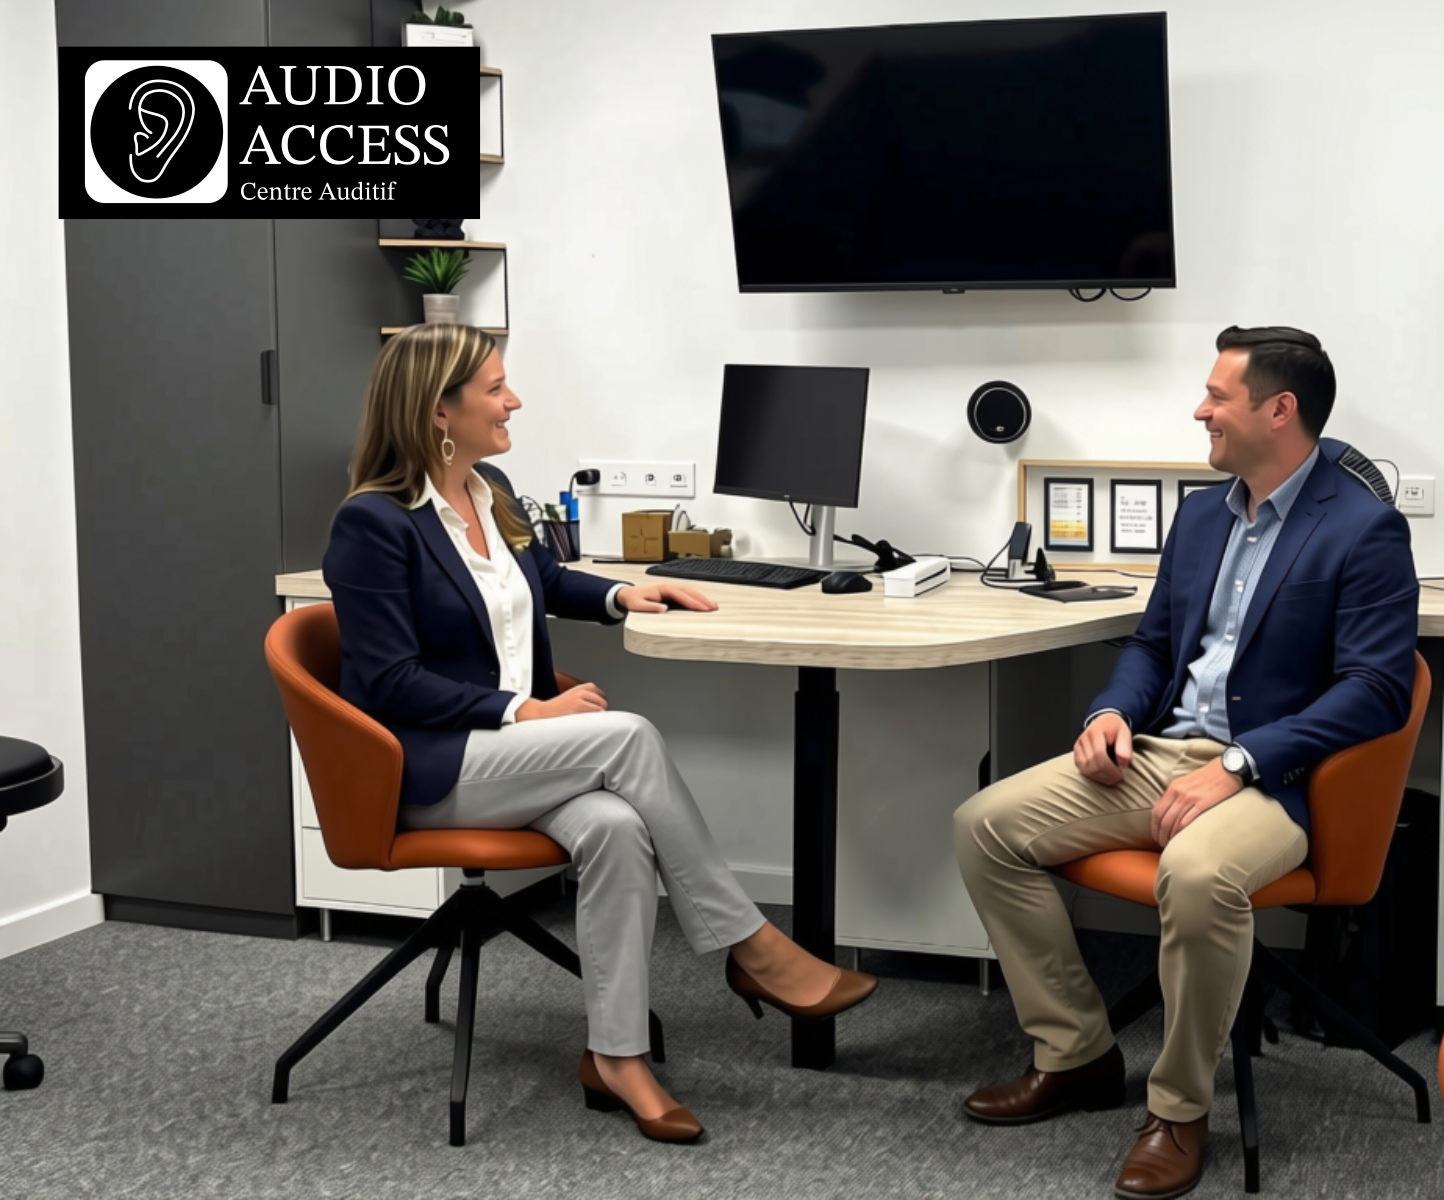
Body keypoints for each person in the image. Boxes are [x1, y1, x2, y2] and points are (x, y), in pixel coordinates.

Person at [323, 324, 876, 1144]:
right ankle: (752, 945)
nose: (515, 401)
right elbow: (387, 682)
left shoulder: (489, 487)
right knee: (626, 736)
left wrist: (627, 596)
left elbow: (541, 579)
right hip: (430, 771)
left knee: (616, 828)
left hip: (507, 760)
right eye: (495, 389)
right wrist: (526, 712)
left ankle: (617, 1059)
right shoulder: (373, 525)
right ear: (440, 410)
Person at [953, 326, 1418, 1198]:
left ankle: (1177, 1109)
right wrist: (1108, 713)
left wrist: (1242, 763)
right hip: (1163, 752)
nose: (1199, 410)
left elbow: (1376, 690)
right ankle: (1078, 1054)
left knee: (1200, 876)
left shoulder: (1365, 529)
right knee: (986, 826)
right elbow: (1155, 645)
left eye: (1217, 396)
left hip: (1277, 778)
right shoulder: (1204, 512)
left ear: (1279, 411)